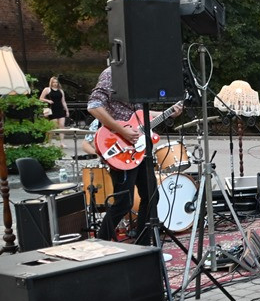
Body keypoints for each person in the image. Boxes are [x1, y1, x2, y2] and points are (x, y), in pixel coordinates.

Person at [87, 68, 182, 243]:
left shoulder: (137, 75)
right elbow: (94, 106)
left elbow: (139, 115)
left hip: (139, 151)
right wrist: (122, 130)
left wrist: (168, 113)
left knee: (152, 196)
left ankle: (143, 244)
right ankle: (100, 242)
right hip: (120, 148)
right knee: (124, 203)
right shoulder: (112, 74)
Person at [40, 76, 68, 141]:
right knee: (53, 126)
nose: (55, 84)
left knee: (62, 125)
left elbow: (63, 101)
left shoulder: (61, 91)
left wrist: (66, 110)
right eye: (53, 82)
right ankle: (48, 140)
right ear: (51, 83)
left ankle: (62, 143)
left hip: (60, 108)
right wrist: (48, 100)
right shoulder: (47, 89)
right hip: (52, 109)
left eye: (56, 82)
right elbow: (41, 98)